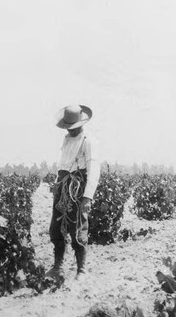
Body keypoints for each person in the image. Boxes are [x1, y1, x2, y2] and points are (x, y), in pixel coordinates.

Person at [48, 104, 100, 280]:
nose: (70, 131)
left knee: (77, 227)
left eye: (73, 128)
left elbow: (94, 169)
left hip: (77, 189)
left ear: (80, 124)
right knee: (56, 227)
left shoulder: (88, 141)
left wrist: (87, 197)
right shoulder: (66, 139)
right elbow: (63, 165)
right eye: (68, 128)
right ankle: (57, 266)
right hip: (62, 186)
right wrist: (57, 184)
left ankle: (81, 270)